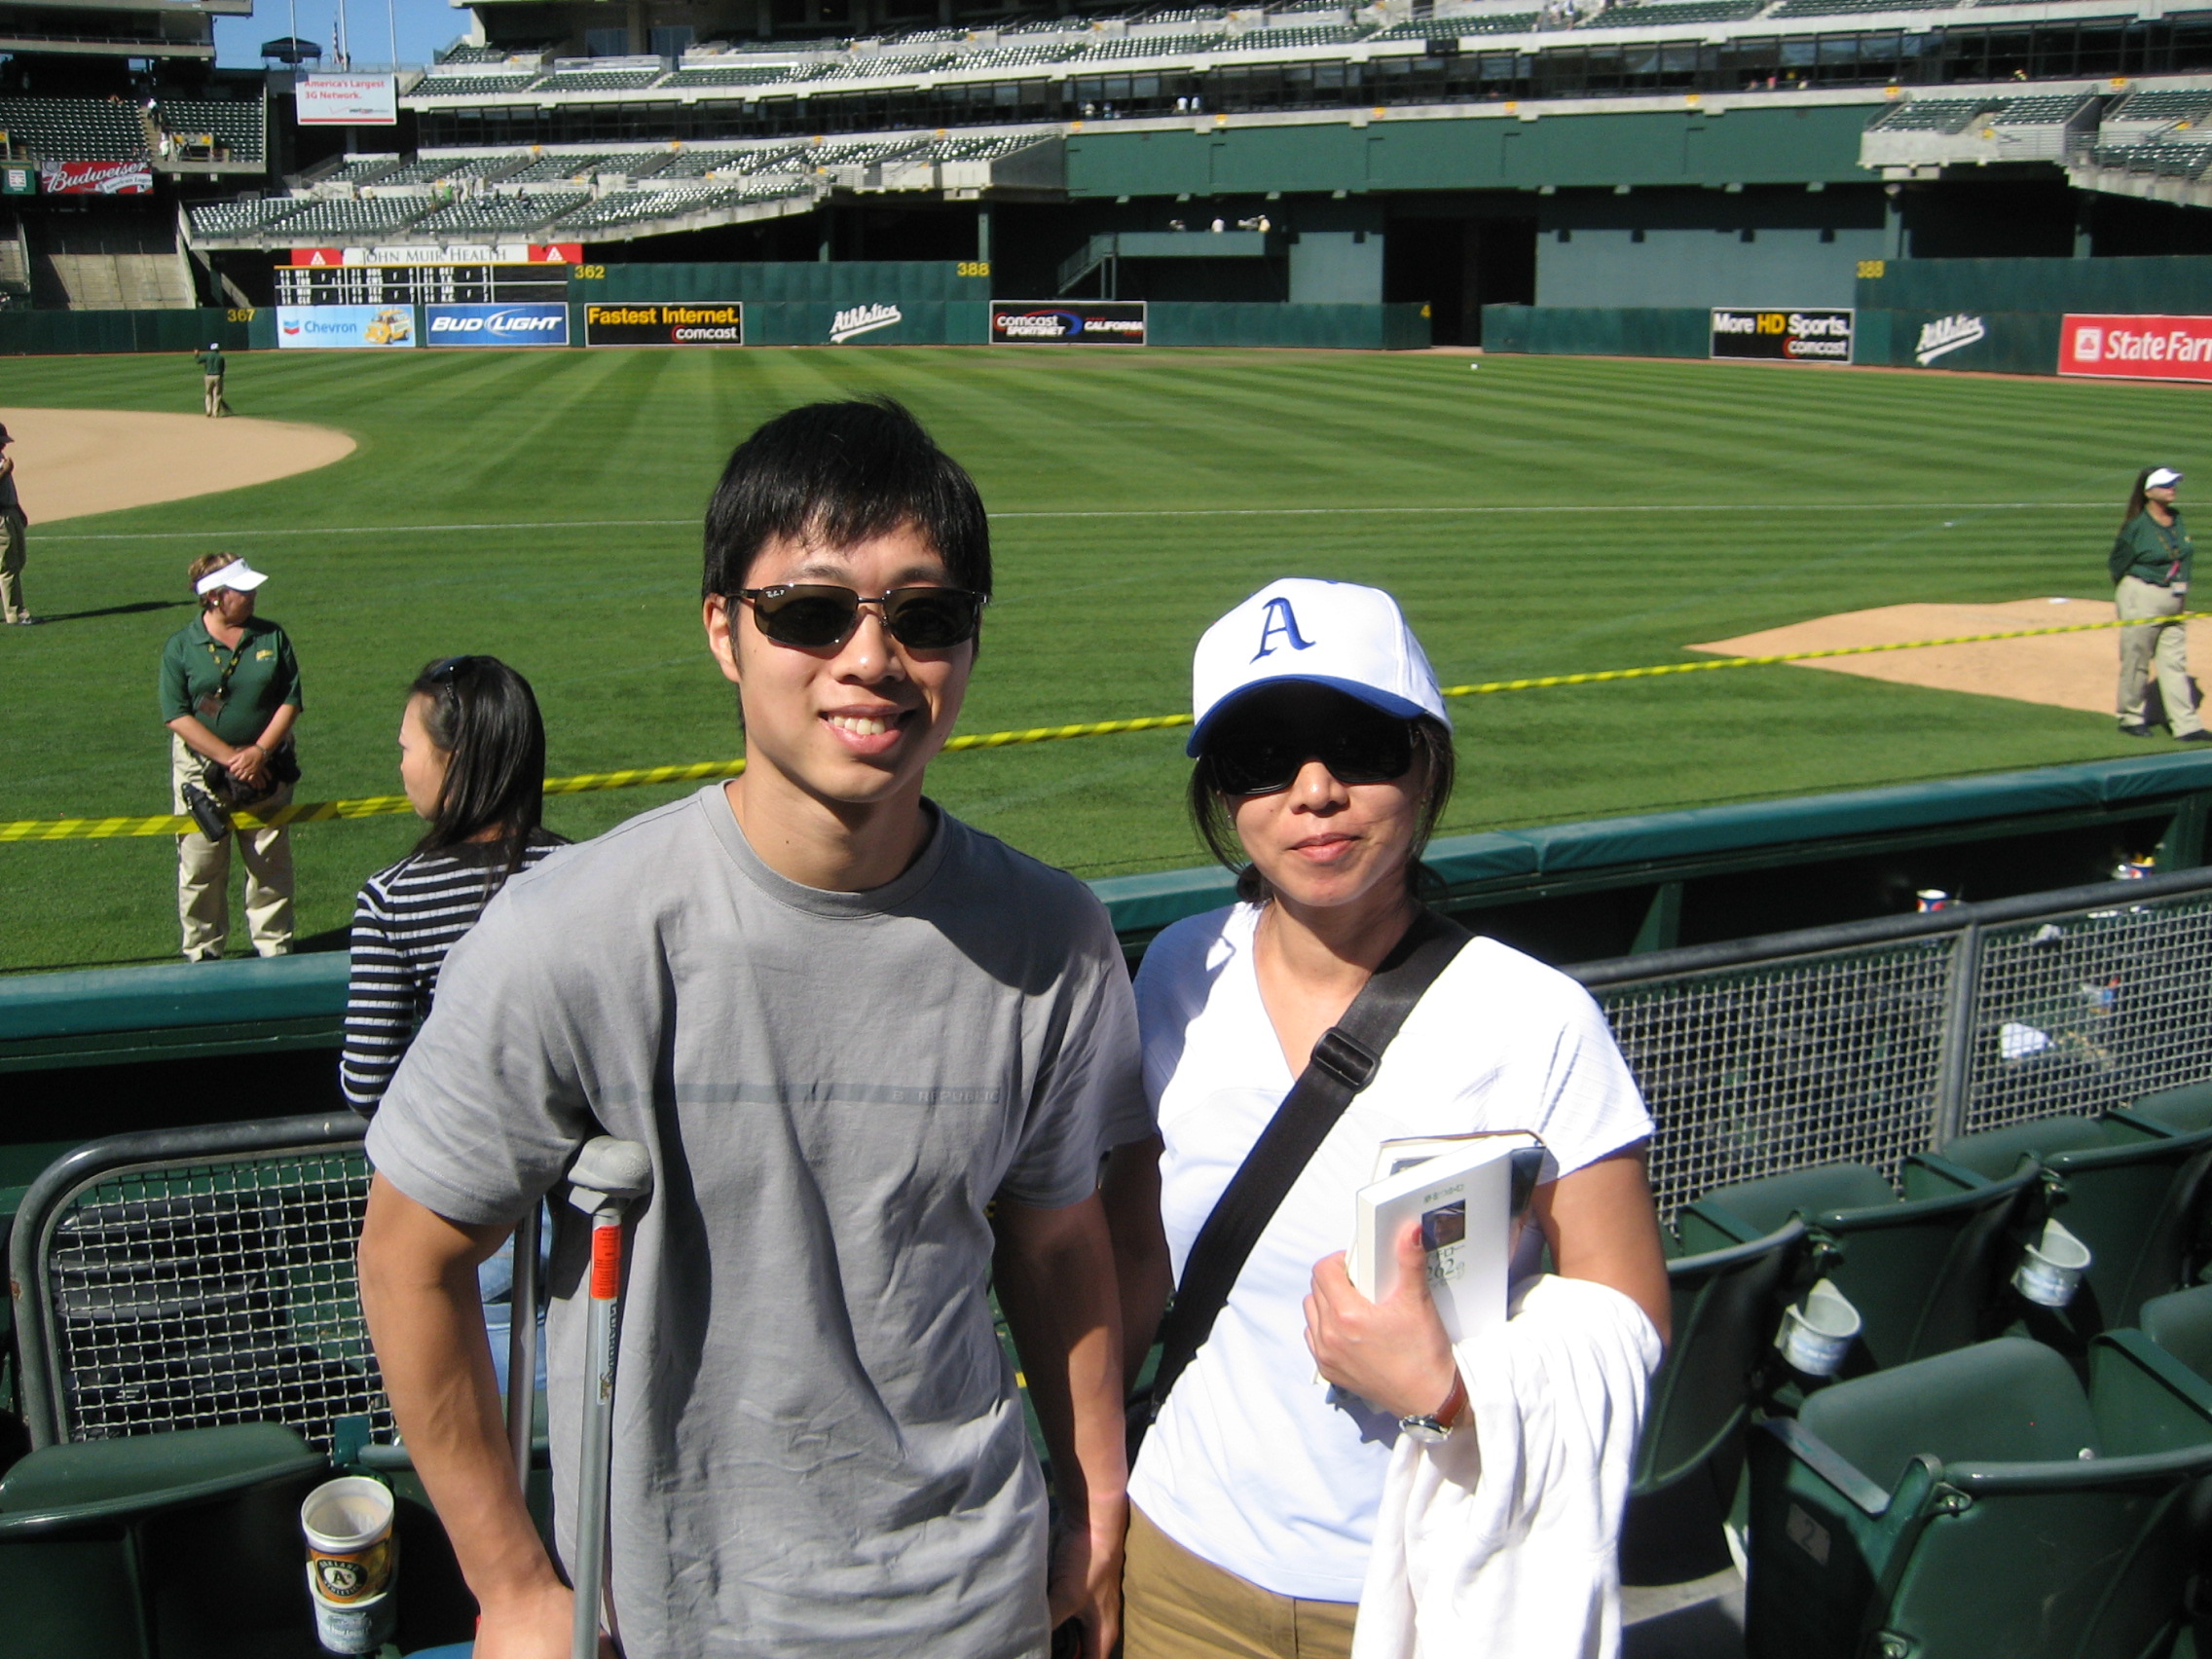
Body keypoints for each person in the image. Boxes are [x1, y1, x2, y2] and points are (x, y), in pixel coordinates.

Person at [357, 398, 1145, 1659]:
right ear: (725, 629)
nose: (873, 661)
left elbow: (1055, 1252)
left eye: (926, 617)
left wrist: (1095, 1511)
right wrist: (509, 1583)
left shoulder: (1055, 936)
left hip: (975, 1607)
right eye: (812, 613)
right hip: (681, 1617)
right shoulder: (567, 934)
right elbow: (411, 1255)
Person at [1103, 578, 1672, 1659]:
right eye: (1259, 757)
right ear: (1225, 796)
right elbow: (1138, 1256)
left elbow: (1629, 1315)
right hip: (1178, 1560)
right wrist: (1085, 1487)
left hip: (1419, 1584)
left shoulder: (1536, 1017)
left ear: (1425, 761)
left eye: (1358, 743)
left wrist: (1450, 1391)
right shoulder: (1179, 969)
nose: (1313, 791)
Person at [341, 655, 567, 1115]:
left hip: (457, 1173)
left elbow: (366, 1085)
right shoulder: (584, 870)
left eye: (406, 749)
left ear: (455, 762)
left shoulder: (392, 900)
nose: (401, 767)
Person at [159, 553, 302, 961]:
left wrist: (258, 752)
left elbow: (290, 700)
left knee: (269, 860)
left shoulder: (271, 637)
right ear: (215, 597)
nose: (253, 595)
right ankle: (203, 952)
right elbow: (176, 714)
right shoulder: (181, 647)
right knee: (201, 865)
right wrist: (229, 758)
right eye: (243, 591)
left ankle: (274, 947)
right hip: (200, 771)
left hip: (267, 765)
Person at [2111, 465, 2208, 742]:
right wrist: (2130, 595)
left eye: (2174, 484)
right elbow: (2117, 563)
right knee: (2136, 659)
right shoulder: (2137, 526)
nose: (2172, 489)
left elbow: (2182, 554)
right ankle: (2130, 717)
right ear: (2148, 492)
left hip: (2174, 599)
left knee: (2175, 662)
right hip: (2142, 595)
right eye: (2165, 485)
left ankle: (2186, 725)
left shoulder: (2176, 518)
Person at [0, 422, 32, 626]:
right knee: (8, 566)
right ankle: (16, 613)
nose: (4, 446)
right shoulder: (3, 463)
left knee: (18, 561)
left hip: (10, 513)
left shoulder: (1, 459)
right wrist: (5, 471)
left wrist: (19, 510)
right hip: (1, 516)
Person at [195, 342, 229, 418]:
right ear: (218, 349)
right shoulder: (220, 357)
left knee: (208, 394)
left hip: (208, 376)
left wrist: (197, 354)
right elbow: (223, 369)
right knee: (217, 395)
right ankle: (215, 412)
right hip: (218, 376)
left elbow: (198, 361)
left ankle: (208, 411)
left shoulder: (207, 356)